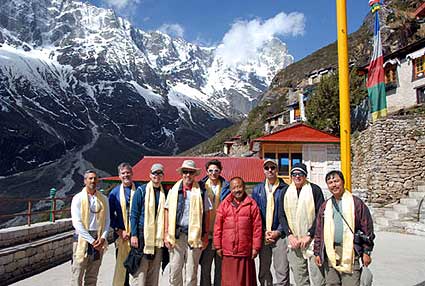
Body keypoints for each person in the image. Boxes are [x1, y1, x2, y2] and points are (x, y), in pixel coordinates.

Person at [314, 170, 375, 286]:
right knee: (332, 283)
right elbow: (319, 231)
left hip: (351, 251)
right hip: (331, 252)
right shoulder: (325, 206)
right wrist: (317, 252)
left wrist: (367, 252)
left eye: (336, 181)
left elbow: (367, 229)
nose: (334, 185)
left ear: (343, 182)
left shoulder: (356, 203)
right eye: (330, 182)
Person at [164, 160, 211, 286]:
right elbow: (167, 211)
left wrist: (205, 235)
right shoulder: (173, 190)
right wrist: (166, 233)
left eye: (191, 172)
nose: (188, 175)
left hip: (195, 236)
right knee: (175, 270)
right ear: (182, 173)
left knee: (191, 272)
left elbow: (207, 213)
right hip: (177, 235)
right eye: (185, 172)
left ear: (195, 174)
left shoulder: (201, 191)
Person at [279, 163, 325, 286]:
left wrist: (310, 234)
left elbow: (321, 215)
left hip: (313, 240)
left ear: (305, 176)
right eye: (294, 174)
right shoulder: (285, 192)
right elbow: (281, 215)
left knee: (318, 276)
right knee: (300, 276)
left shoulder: (314, 190)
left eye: (300, 174)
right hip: (294, 240)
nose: (297, 176)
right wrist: (290, 235)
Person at [213, 177, 262, 286]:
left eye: (239, 187)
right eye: (234, 187)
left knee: (246, 281)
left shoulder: (252, 205)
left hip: (245, 251)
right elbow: (217, 227)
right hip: (228, 251)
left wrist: (256, 247)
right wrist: (218, 246)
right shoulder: (224, 205)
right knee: (229, 281)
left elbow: (257, 228)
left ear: (244, 187)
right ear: (230, 189)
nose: (237, 190)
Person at [252, 158, 290, 286]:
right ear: (263, 170)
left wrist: (278, 231)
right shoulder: (257, 190)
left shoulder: (285, 189)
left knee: (282, 269)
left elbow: (287, 213)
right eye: (267, 168)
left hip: (280, 235)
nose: (270, 170)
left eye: (272, 168)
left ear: (277, 169)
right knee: (263, 269)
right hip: (263, 235)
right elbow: (255, 213)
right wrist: (263, 231)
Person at [129, 163, 167, 286]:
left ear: (163, 176)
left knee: (154, 271)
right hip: (142, 234)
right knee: (141, 270)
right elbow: (134, 214)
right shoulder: (141, 191)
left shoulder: (164, 193)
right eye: (154, 173)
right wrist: (133, 234)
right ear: (150, 175)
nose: (157, 175)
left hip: (158, 237)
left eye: (160, 173)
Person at [71, 169, 110, 286]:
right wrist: (92, 241)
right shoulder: (78, 198)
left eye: (95, 178)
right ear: (85, 181)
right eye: (90, 178)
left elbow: (107, 220)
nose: (93, 181)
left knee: (93, 274)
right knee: (77, 272)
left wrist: (103, 237)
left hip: (98, 238)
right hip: (82, 238)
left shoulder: (103, 199)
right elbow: (77, 222)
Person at [199, 159, 230, 286]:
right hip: (206, 232)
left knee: (220, 266)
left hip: (221, 233)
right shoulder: (200, 187)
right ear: (207, 171)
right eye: (211, 170)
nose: (213, 173)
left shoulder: (226, 187)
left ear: (220, 171)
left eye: (216, 170)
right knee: (205, 266)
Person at [109, 163, 140, 286]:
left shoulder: (140, 189)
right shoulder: (114, 193)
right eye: (123, 173)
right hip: (121, 236)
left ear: (132, 174)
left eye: (128, 172)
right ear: (119, 176)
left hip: (137, 235)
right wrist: (119, 230)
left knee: (138, 268)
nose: (126, 175)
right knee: (123, 267)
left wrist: (135, 232)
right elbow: (110, 215)